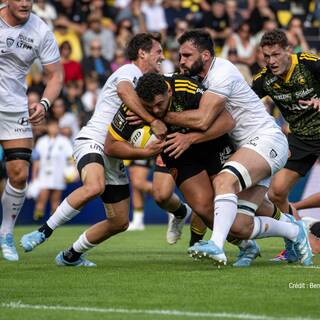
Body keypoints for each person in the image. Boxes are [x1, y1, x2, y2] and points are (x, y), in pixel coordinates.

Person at [163, 29, 312, 266]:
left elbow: (203, 120)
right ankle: (294, 231)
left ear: (205, 56)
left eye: (187, 55)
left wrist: (163, 115)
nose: (181, 61)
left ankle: (216, 246)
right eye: (180, 56)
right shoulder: (194, 80)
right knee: (240, 226)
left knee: (223, 181)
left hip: (266, 139)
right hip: (250, 149)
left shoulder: (221, 72)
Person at [20, 33, 167, 266]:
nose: (162, 56)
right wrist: (153, 120)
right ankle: (43, 231)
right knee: (94, 186)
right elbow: (124, 92)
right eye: (158, 51)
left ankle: (71, 255)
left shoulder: (149, 83)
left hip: (114, 152)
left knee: (120, 222)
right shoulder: (128, 72)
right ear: (142, 53)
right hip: (93, 140)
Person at [105, 72, 235, 247]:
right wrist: (146, 152)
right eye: (150, 107)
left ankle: (277, 225)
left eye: (160, 104)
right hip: (178, 152)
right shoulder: (133, 108)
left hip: (210, 144)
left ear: (169, 92)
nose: (156, 110)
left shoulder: (186, 88)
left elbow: (227, 121)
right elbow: (110, 146)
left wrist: (160, 121)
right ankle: (238, 243)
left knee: (230, 198)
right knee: (176, 199)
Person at [0, 0, 63, 261]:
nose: (25, 3)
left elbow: (56, 75)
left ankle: (6, 233)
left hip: (14, 108)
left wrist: (45, 103)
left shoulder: (40, 30)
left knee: (19, 174)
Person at [252, 29, 320, 258]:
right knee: (276, 192)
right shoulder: (264, 80)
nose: (271, 61)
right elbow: (245, 106)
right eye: (266, 56)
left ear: (289, 50)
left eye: (276, 55)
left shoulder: (308, 64)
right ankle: (296, 244)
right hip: (300, 138)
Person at [31, 118, 73, 221]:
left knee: (56, 201)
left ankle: (53, 222)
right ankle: (36, 221)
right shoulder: (41, 141)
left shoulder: (64, 141)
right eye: (51, 126)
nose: (53, 128)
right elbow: (37, 160)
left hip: (58, 175)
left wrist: (71, 171)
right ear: (47, 127)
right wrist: (34, 176)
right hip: (44, 174)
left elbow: (70, 158)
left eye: (55, 126)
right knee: (41, 198)